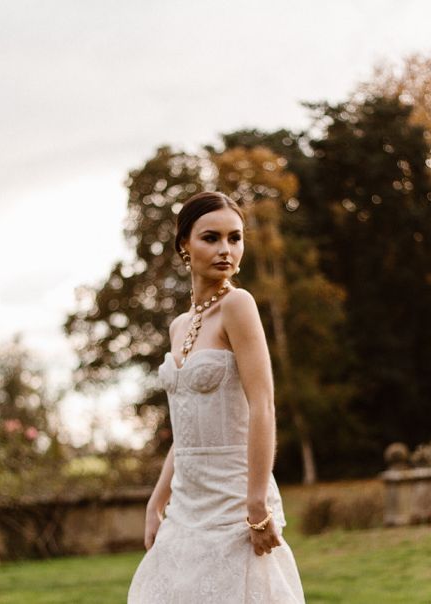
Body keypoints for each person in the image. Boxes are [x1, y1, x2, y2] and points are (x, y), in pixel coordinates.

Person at [127, 191, 306, 603]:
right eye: (211, 238)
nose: (226, 249)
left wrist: (257, 503)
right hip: (186, 505)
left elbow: (263, 405)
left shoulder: (238, 306)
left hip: (234, 499)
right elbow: (186, 431)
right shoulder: (178, 327)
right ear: (184, 245)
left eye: (235, 238)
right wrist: (158, 500)